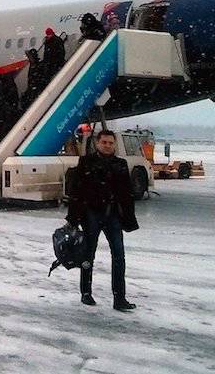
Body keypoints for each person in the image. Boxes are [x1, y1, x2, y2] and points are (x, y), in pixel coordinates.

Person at [65, 129, 138, 312]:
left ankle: (119, 298)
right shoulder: (86, 162)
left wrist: (129, 219)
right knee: (88, 255)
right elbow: (76, 191)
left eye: (110, 143)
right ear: (97, 143)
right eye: (104, 142)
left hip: (113, 215)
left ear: (115, 144)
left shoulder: (121, 164)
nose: (107, 146)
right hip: (92, 214)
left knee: (119, 256)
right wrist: (73, 218)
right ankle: (86, 292)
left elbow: (127, 194)